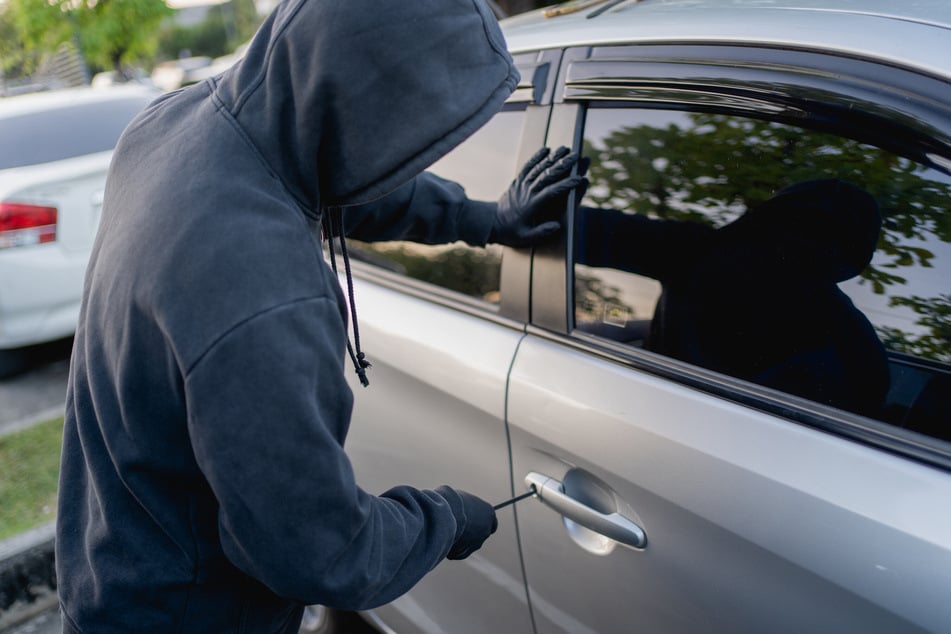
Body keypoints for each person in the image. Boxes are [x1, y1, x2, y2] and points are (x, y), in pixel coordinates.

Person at [55, 1, 583, 632]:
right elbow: (320, 553)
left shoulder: (172, 126)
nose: (415, 153)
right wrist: (442, 519)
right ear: (361, 110)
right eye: (414, 133)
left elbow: (324, 177)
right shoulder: (260, 289)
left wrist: (482, 220)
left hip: (111, 567)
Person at [576, 178, 889, 417]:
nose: (809, 249)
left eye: (825, 241)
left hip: (647, 423)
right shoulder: (852, 338)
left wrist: (548, 225)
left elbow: (581, 232)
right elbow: (586, 231)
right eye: (805, 231)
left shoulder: (697, 251)